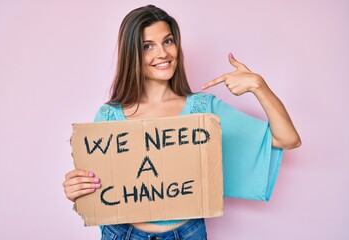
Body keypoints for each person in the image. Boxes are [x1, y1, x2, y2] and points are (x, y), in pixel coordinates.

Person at [63, 5, 301, 240]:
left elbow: (287, 139)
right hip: (123, 233)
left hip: (188, 233)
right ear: (132, 54)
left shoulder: (204, 110)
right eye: (148, 46)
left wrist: (259, 86)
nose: (163, 54)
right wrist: (77, 188)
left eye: (168, 41)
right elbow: (95, 187)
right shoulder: (109, 116)